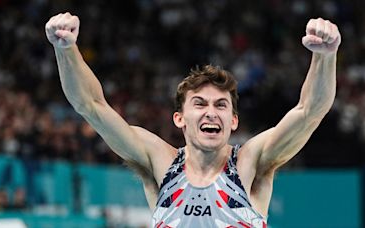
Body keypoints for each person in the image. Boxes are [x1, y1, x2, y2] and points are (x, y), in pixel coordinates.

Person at [45, 12, 341, 227]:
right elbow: (91, 106)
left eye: (221, 105)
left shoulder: (251, 163)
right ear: (180, 119)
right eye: (199, 103)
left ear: (233, 121)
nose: (211, 112)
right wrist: (66, 50)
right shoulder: (159, 163)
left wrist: (325, 56)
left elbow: (308, 112)